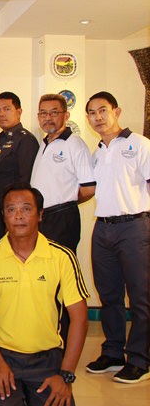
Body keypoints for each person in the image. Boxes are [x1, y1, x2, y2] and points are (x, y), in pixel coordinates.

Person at [0, 183, 89, 406]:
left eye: (26, 209)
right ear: (3, 216)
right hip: (3, 356)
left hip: (46, 359)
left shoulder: (62, 257)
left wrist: (66, 375)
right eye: (11, 210)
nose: (18, 216)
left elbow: (80, 320)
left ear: (41, 214)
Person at [84, 91, 150, 383]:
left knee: (140, 298)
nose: (97, 117)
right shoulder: (97, 151)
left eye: (102, 111)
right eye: (92, 113)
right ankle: (113, 352)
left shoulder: (139, 144)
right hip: (103, 227)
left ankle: (140, 360)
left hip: (134, 226)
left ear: (116, 111)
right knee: (109, 294)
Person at [30, 94, 95, 253]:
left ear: (66, 115)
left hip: (62, 218)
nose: (48, 118)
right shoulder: (45, 143)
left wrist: (67, 203)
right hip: (41, 217)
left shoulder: (75, 144)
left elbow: (89, 189)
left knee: (62, 268)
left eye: (54, 112)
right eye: (43, 113)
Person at [0, 92, 39, 244]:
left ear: (19, 111)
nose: (1, 114)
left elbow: (26, 181)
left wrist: (16, 214)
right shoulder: (2, 140)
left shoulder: (25, 140)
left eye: (6, 109)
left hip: (15, 212)